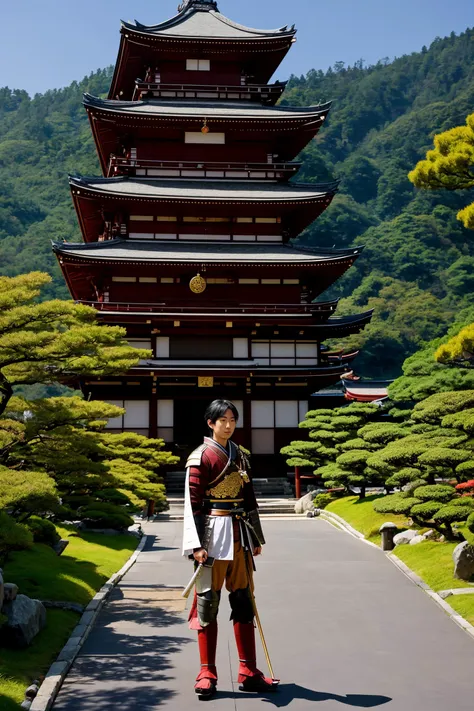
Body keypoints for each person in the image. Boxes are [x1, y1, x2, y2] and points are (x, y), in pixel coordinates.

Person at [182, 399, 276, 699]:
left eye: (232, 419)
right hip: (211, 535)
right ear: (210, 423)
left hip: (240, 535)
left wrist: (256, 538)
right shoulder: (200, 457)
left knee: (244, 601)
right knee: (207, 604)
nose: (228, 424)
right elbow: (193, 505)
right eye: (222, 419)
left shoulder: (241, 456)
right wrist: (195, 545)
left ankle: (248, 670)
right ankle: (206, 671)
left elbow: (249, 499)